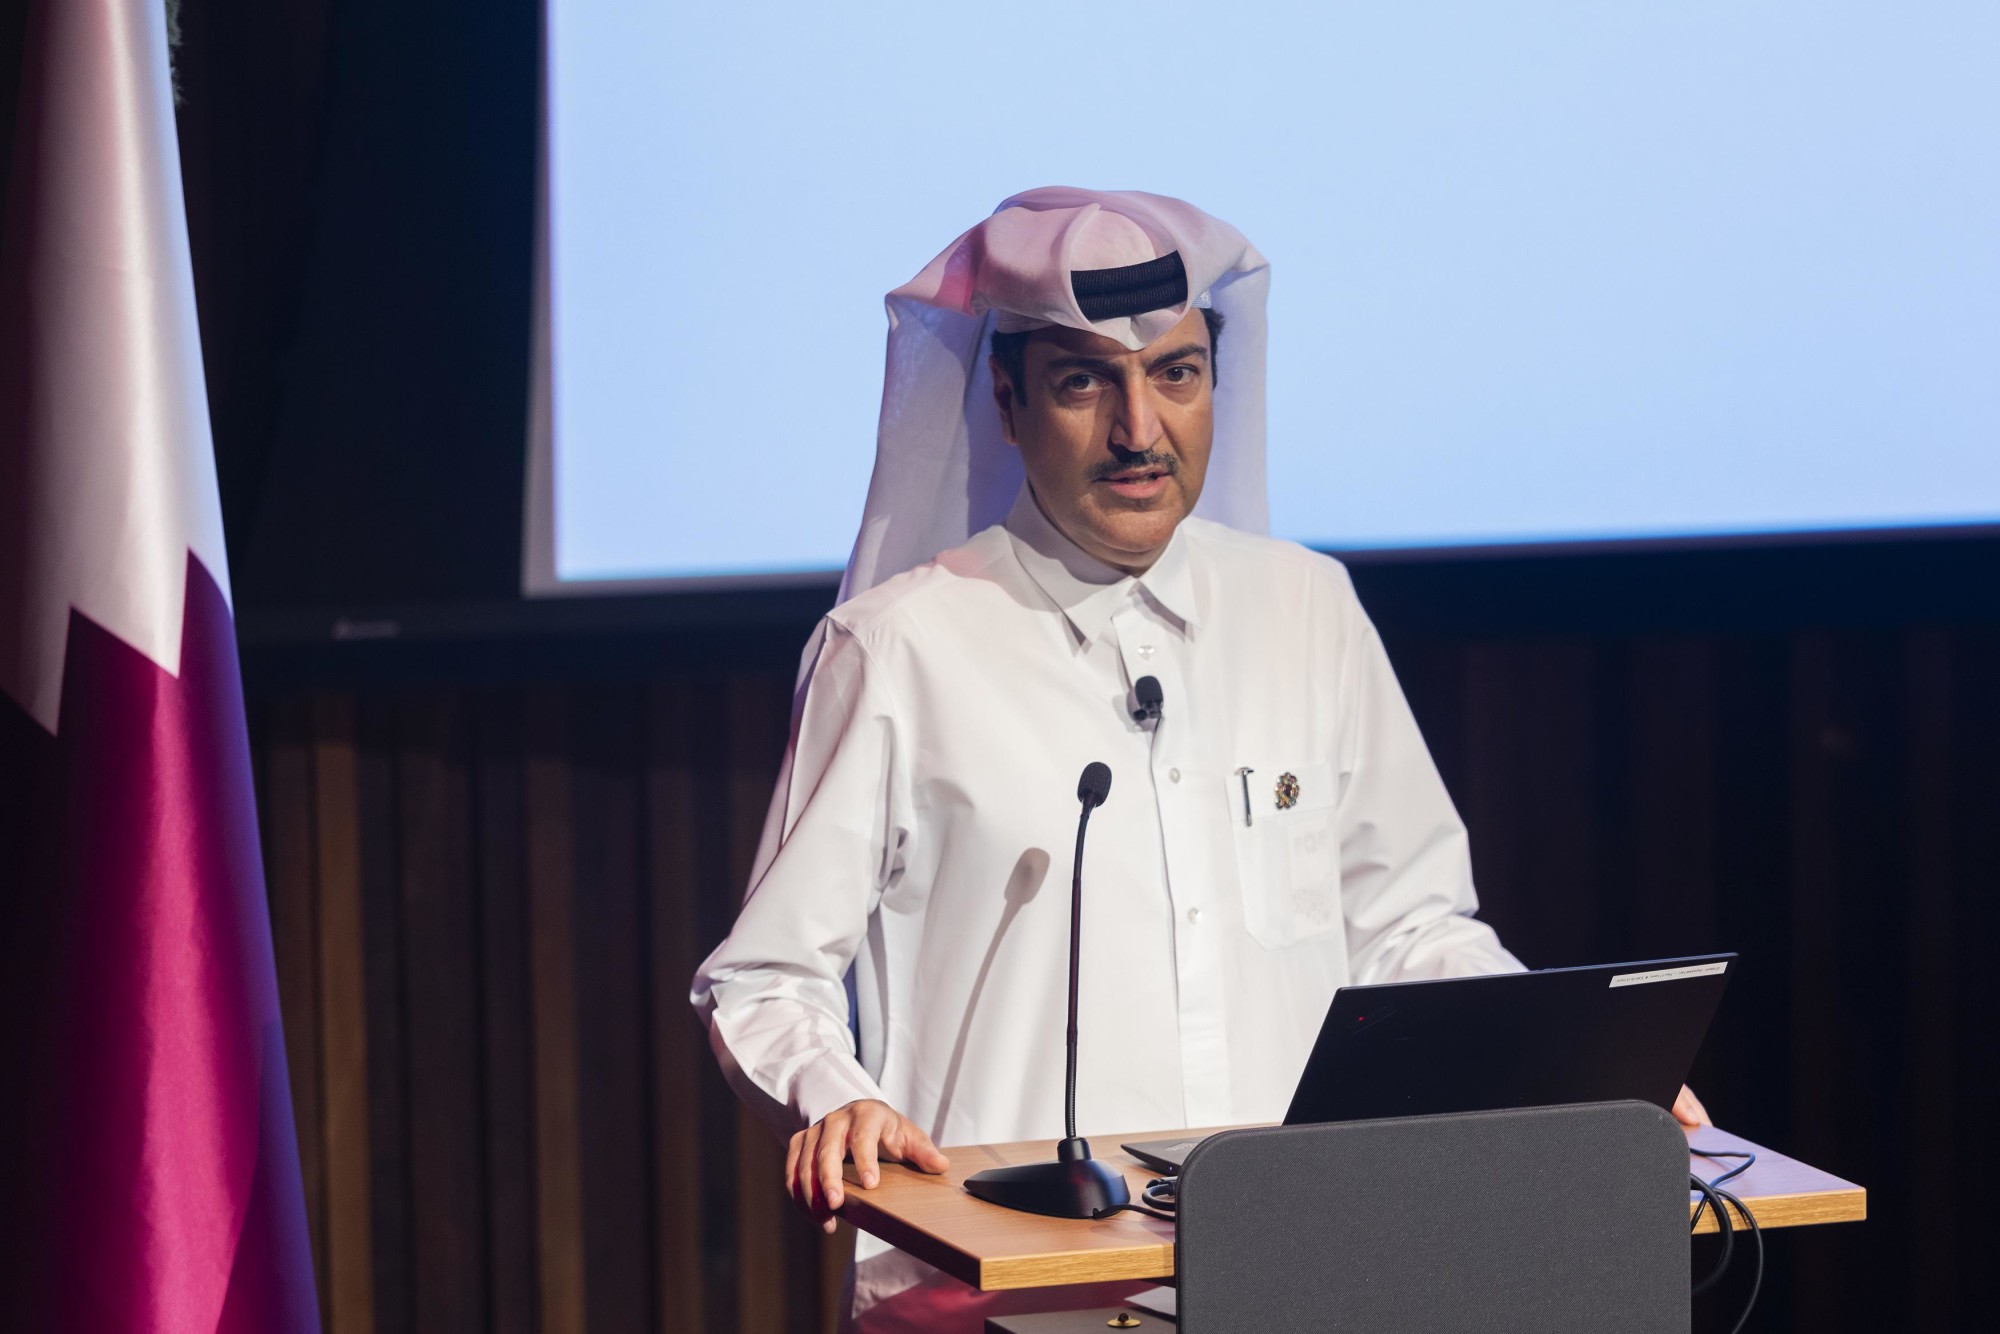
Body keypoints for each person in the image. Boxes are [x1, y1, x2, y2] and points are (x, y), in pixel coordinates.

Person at [691, 187, 1709, 1331]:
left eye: (1174, 373)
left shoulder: (1304, 607)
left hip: (1298, 1275)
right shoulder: (896, 646)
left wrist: (1572, 1075)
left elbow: (1408, 929)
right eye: (1086, 381)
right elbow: (764, 976)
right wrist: (839, 1096)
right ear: (1008, 400)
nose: (1140, 428)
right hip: (988, 1296)